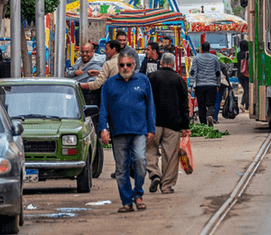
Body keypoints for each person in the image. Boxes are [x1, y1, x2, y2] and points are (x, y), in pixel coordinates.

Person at [99, 54, 156, 213]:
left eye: (128, 65)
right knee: (121, 168)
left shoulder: (143, 80)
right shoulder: (109, 84)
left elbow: (150, 105)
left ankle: (138, 193)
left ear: (134, 65)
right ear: (118, 65)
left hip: (139, 130)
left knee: (140, 160)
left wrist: (151, 128)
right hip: (118, 132)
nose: (125, 68)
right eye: (122, 65)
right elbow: (103, 108)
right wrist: (103, 128)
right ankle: (126, 201)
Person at [146, 53, 190, 195]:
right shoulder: (179, 80)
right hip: (173, 124)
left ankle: (154, 174)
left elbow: (144, 101)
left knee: (149, 151)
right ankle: (166, 186)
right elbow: (184, 105)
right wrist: (185, 126)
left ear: (161, 62)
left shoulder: (151, 78)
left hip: (153, 124)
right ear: (173, 64)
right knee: (170, 156)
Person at [189, 41, 221, 126]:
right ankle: (210, 115)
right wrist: (218, 84)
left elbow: (193, 72)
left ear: (201, 49)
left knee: (201, 105)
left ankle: (203, 123)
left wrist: (190, 85)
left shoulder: (196, 58)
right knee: (211, 104)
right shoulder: (214, 58)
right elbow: (218, 72)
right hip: (212, 85)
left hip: (200, 85)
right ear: (209, 48)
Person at [70, 42, 104, 107]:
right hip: (77, 93)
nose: (84, 54)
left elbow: (95, 82)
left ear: (93, 51)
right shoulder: (79, 61)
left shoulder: (98, 62)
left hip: (90, 96)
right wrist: (74, 72)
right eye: (82, 52)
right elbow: (69, 73)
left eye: (87, 52)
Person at [237, 40, 250, 112]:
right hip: (247, 74)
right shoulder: (247, 54)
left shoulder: (238, 54)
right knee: (247, 90)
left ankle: (244, 105)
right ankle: (244, 105)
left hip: (240, 74)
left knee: (245, 89)